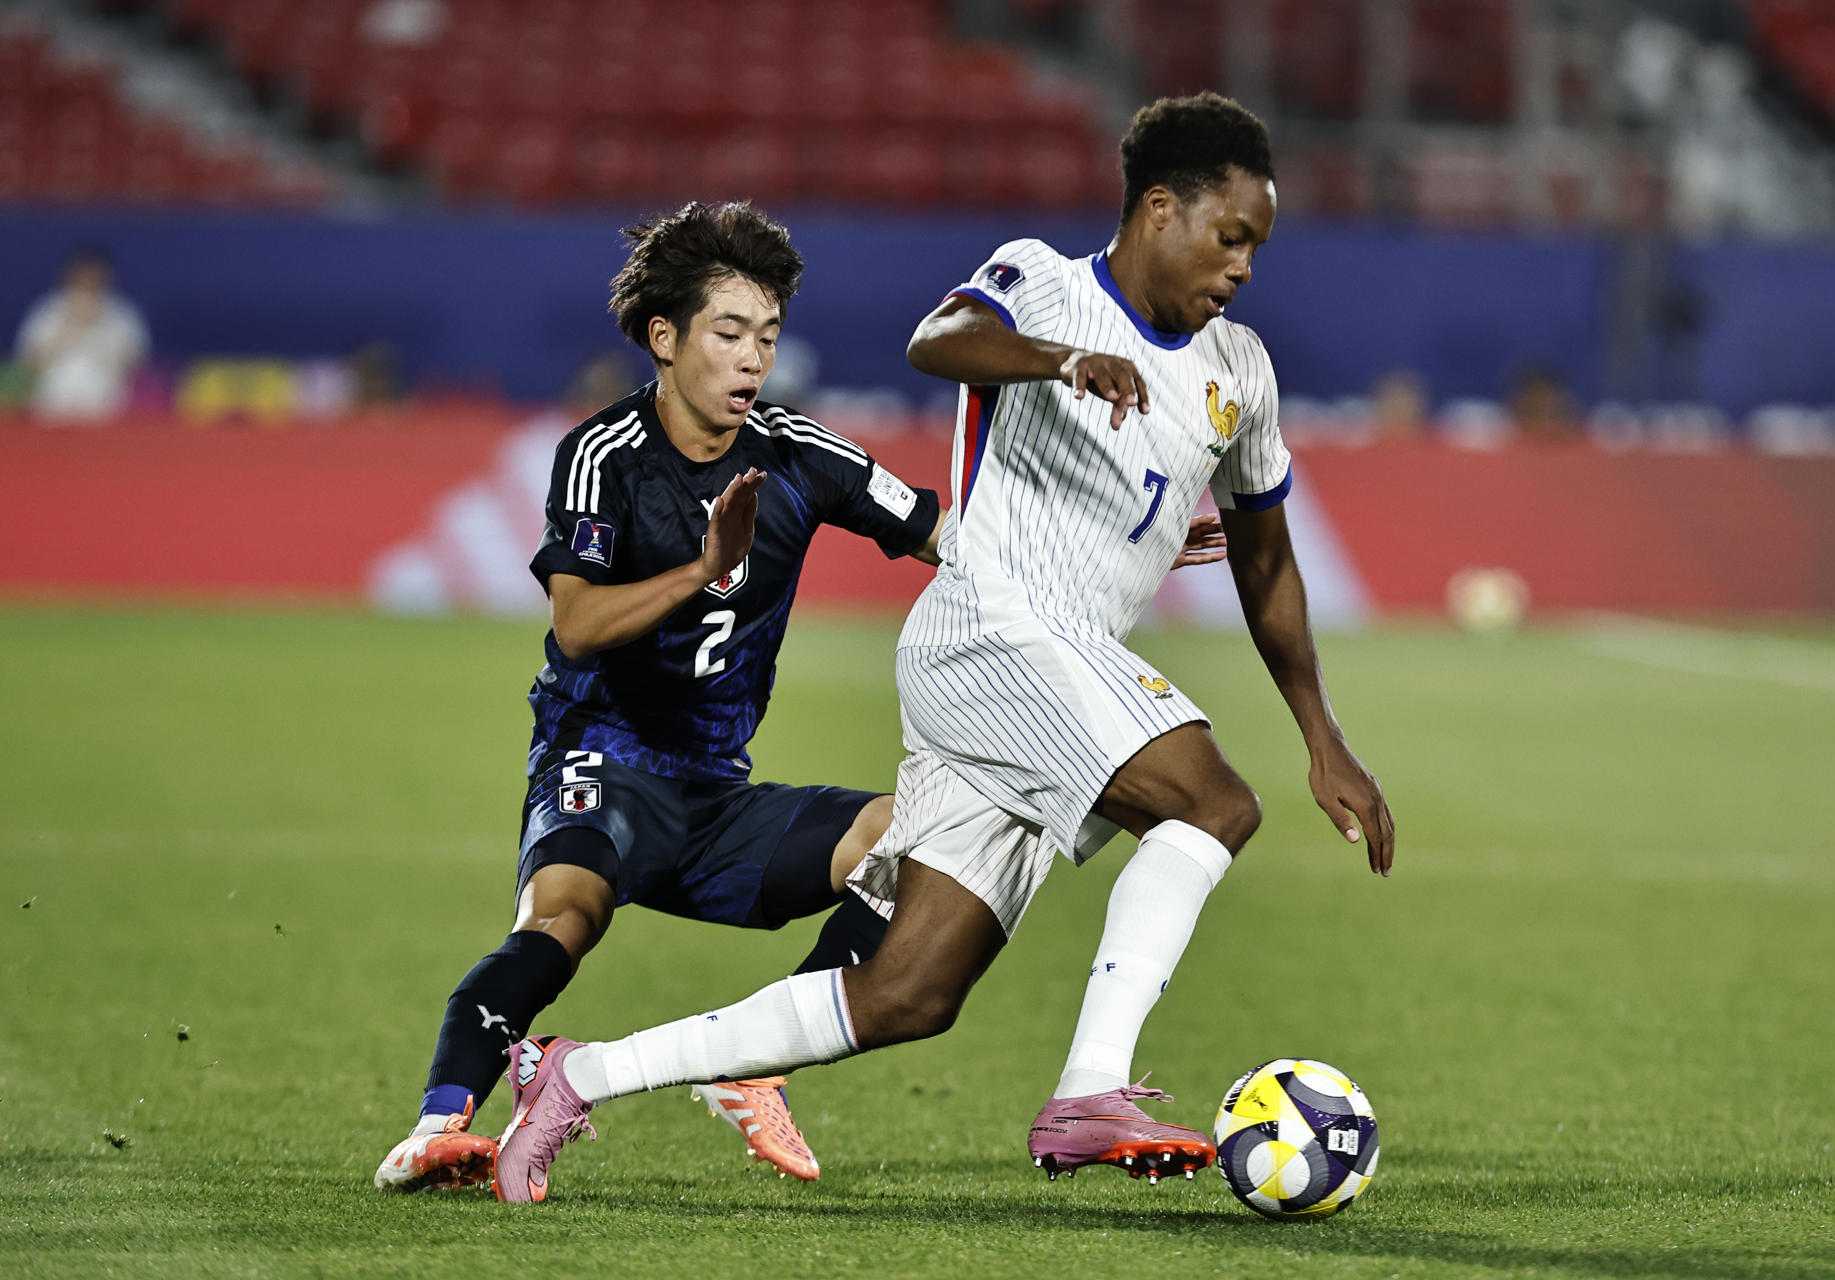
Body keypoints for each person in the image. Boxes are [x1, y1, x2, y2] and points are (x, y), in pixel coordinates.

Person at [488, 93, 1393, 1205]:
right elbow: (938, 341)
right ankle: (1090, 1090)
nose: (1244, 265)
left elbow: (1267, 563)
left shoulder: (1239, 369)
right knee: (1213, 804)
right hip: (993, 630)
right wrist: (1060, 360)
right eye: (1231, 235)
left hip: (1043, 680)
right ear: (1161, 208)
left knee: (908, 991)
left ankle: (577, 1074)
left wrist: (1323, 736)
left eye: (1257, 245)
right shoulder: (1043, 282)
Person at [375, 200, 1225, 1196]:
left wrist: (1120, 532)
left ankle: (754, 1067)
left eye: (768, 337)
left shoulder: (798, 451)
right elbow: (576, 625)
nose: (752, 360)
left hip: (717, 793)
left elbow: (955, 538)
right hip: (604, 763)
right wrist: (703, 568)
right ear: (665, 338)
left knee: (904, 838)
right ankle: (436, 1129)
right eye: (729, 333)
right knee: (560, 922)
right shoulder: (603, 456)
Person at [13, 246, 149, 421]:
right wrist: (70, 327)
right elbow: (28, 362)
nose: (88, 281)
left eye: (94, 276)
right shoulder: (47, 311)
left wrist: (98, 326)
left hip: (106, 408)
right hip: (52, 407)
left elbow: (137, 365)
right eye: (83, 275)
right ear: (69, 275)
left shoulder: (123, 314)